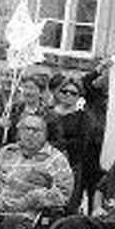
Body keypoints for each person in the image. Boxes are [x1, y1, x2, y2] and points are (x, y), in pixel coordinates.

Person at [46, 76, 89, 213]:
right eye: (65, 91)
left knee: (67, 204)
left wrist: (61, 145)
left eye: (73, 93)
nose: (68, 95)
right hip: (46, 162)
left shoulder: (82, 118)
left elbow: (82, 143)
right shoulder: (48, 112)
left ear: (78, 96)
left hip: (71, 165)